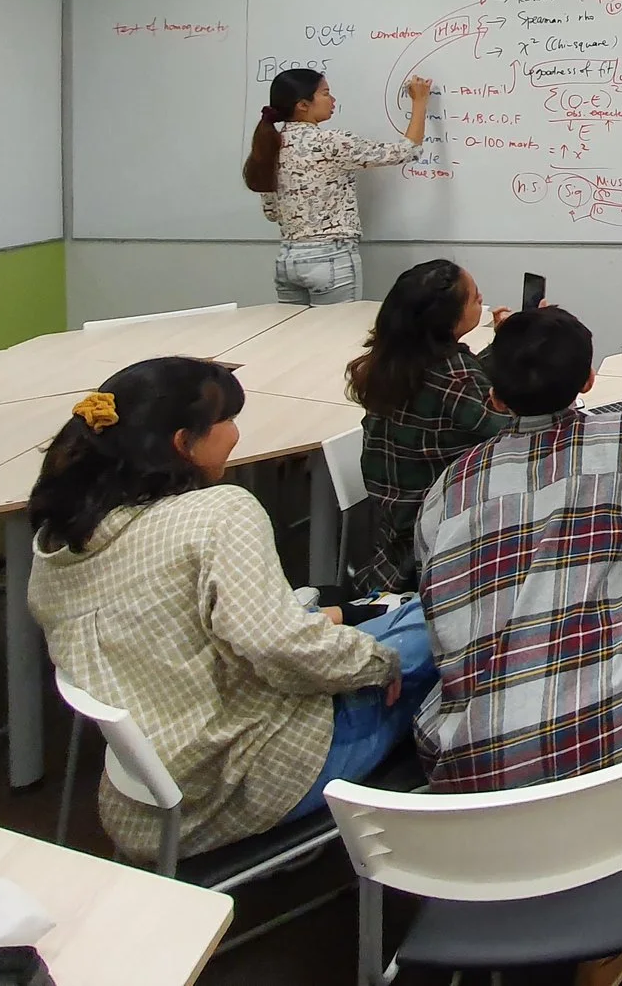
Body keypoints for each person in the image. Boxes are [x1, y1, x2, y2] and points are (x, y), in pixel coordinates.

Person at [27, 358, 437, 861]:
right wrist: (378, 664)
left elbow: (210, 630)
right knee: (441, 619)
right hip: (248, 779)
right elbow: (276, 646)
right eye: (229, 420)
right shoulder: (218, 513)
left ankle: (365, 621)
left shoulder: (57, 540)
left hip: (146, 795)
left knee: (364, 620)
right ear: (184, 442)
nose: (238, 433)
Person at [416, 306, 622, 799]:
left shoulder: (452, 486)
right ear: (589, 381)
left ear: (496, 397)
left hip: (474, 782)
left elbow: (434, 593)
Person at [346, 259, 513, 594]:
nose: (484, 302)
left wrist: (500, 346)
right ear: (449, 319)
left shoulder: (396, 358)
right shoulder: (454, 375)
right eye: (476, 299)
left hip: (392, 534)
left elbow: (464, 388)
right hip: (434, 548)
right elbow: (515, 430)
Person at [242, 68, 432, 307]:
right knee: (337, 337)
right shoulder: (330, 141)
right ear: (303, 104)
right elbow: (407, 151)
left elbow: (272, 213)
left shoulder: (270, 147)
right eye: (325, 93)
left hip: (287, 260)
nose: (333, 100)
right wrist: (420, 102)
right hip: (330, 258)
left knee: (294, 339)